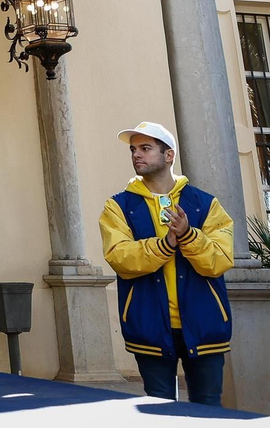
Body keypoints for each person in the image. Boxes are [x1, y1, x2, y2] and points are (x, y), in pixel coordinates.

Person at [99, 121, 234, 406]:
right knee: (159, 408)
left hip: (204, 323)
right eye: (133, 149)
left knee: (209, 408)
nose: (137, 154)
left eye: (145, 148)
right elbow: (119, 257)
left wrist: (188, 236)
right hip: (149, 324)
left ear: (168, 155)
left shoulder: (205, 204)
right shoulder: (118, 206)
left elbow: (220, 260)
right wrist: (165, 245)